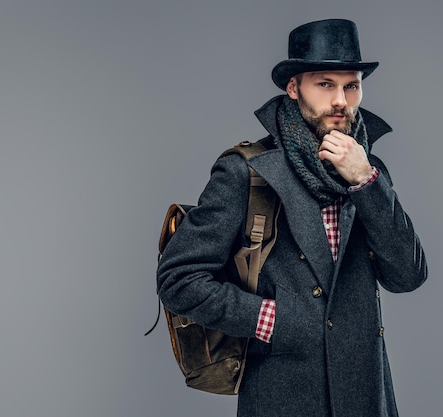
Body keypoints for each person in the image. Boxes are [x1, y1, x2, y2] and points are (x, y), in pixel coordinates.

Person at [156, 19, 427, 417]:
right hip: (282, 393)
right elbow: (178, 280)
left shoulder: (370, 172)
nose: (340, 100)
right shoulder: (247, 172)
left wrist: (365, 181)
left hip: (366, 394)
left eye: (351, 85)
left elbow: (407, 276)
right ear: (293, 87)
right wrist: (271, 319)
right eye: (325, 84)